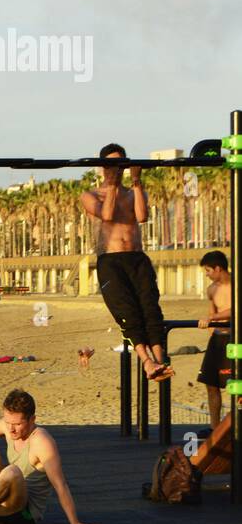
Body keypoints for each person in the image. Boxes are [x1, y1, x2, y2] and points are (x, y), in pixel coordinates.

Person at [0, 389, 107, 524]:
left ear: (32, 419)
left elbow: (60, 485)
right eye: (8, 423)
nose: (11, 429)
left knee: (12, 471)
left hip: (22, 515)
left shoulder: (42, 442)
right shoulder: (8, 426)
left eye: (17, 424)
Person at [80, 143, 172, 383]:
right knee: (128, 313)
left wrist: (137, 181)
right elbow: (107, 215)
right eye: (112, 165)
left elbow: (142, 217)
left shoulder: (134, 193)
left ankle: (161, 361)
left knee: (151, 310)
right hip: (110, 259)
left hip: (136, 256)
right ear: (102, 167)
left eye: (120, 164)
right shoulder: (91, 195)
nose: (117, 169)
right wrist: (110, 183)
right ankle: (147, 361)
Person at [196, 250, 233, 428]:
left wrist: (213, 318)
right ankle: (215, 427)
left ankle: (235, 424)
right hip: (217, 340)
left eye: (208, 271)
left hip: (234, 338)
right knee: (210, 383)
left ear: (218, 268)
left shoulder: (236, 284)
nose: (207, 275)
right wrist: (210, 325)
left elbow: (235, 310)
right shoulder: (211, 289)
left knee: (235, 385)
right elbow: (211, 314)